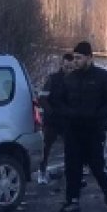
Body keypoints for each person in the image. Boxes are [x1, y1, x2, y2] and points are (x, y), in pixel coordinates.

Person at [50, 40, 107, 212]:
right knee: (72, 166)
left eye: (80, 58)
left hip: (94, 130)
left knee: (96, 166)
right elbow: (57, 101)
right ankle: (72, 200)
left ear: (89, 57)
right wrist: (67, 113)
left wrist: (98, 115)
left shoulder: (102, 77)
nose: (76, 61)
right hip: (73, 131)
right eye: (75, 58)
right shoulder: (69, 79)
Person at [37, 53, 75, 184]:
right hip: (52, 121)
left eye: (71, 67)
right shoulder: (53, 79)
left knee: (71, 148)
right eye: (66, 67)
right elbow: (42, 98)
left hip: (68, 121)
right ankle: (42, 172)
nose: (69, 70)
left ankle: (70, 173)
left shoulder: (75, 80)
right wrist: (51, 112)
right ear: (62, 65)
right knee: (46, 148)